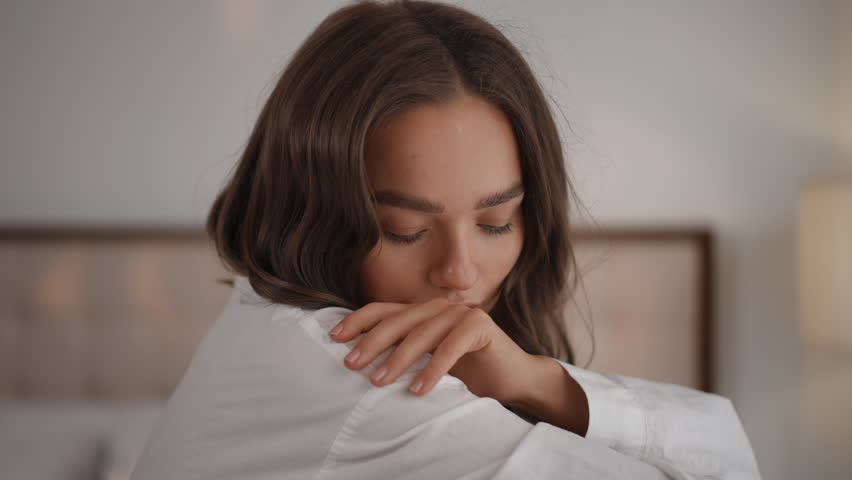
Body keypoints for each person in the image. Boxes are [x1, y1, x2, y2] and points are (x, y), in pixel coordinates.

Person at [131, 1, 761, 478]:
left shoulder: (267, 325)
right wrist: (543, 385)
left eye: (496, 223)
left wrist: (531, 381)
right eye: (403, 231)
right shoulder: (368, 383)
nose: (459, 273)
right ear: (312, 213)